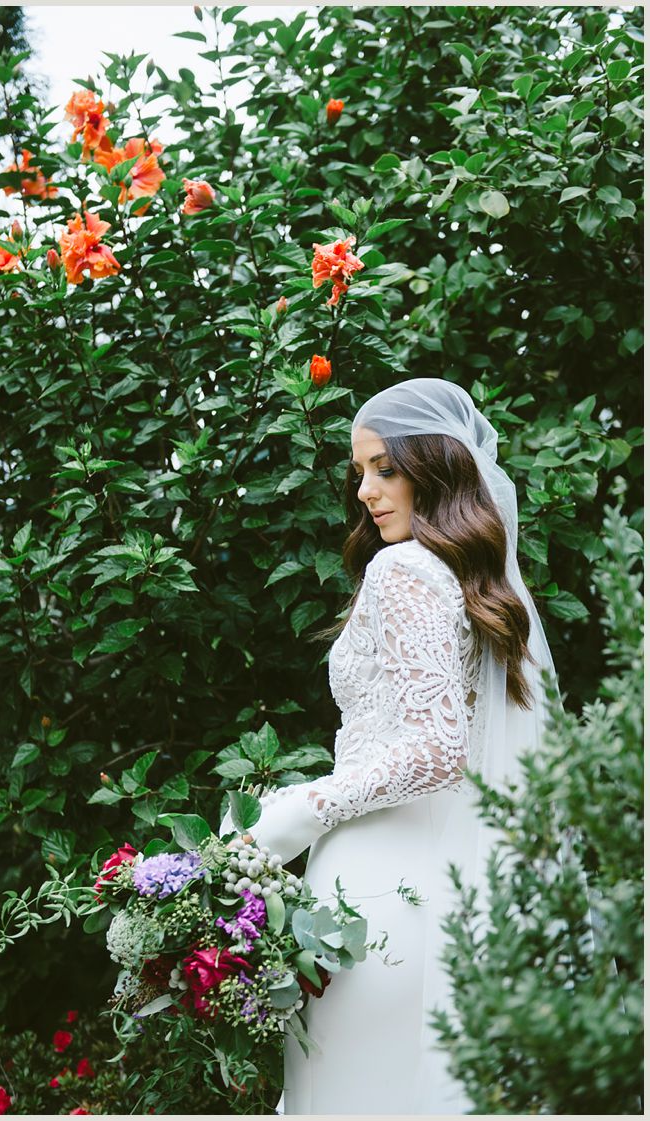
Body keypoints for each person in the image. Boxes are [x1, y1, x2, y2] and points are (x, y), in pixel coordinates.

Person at [233, 378, 555, 1114]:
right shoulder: (467, 579)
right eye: (360, 474)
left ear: (435, 468)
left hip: (373, 895)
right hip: (435, 881)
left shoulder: (403, 568)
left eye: (387, 469)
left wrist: (299, 809)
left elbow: (436, 746)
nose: (368, 492)